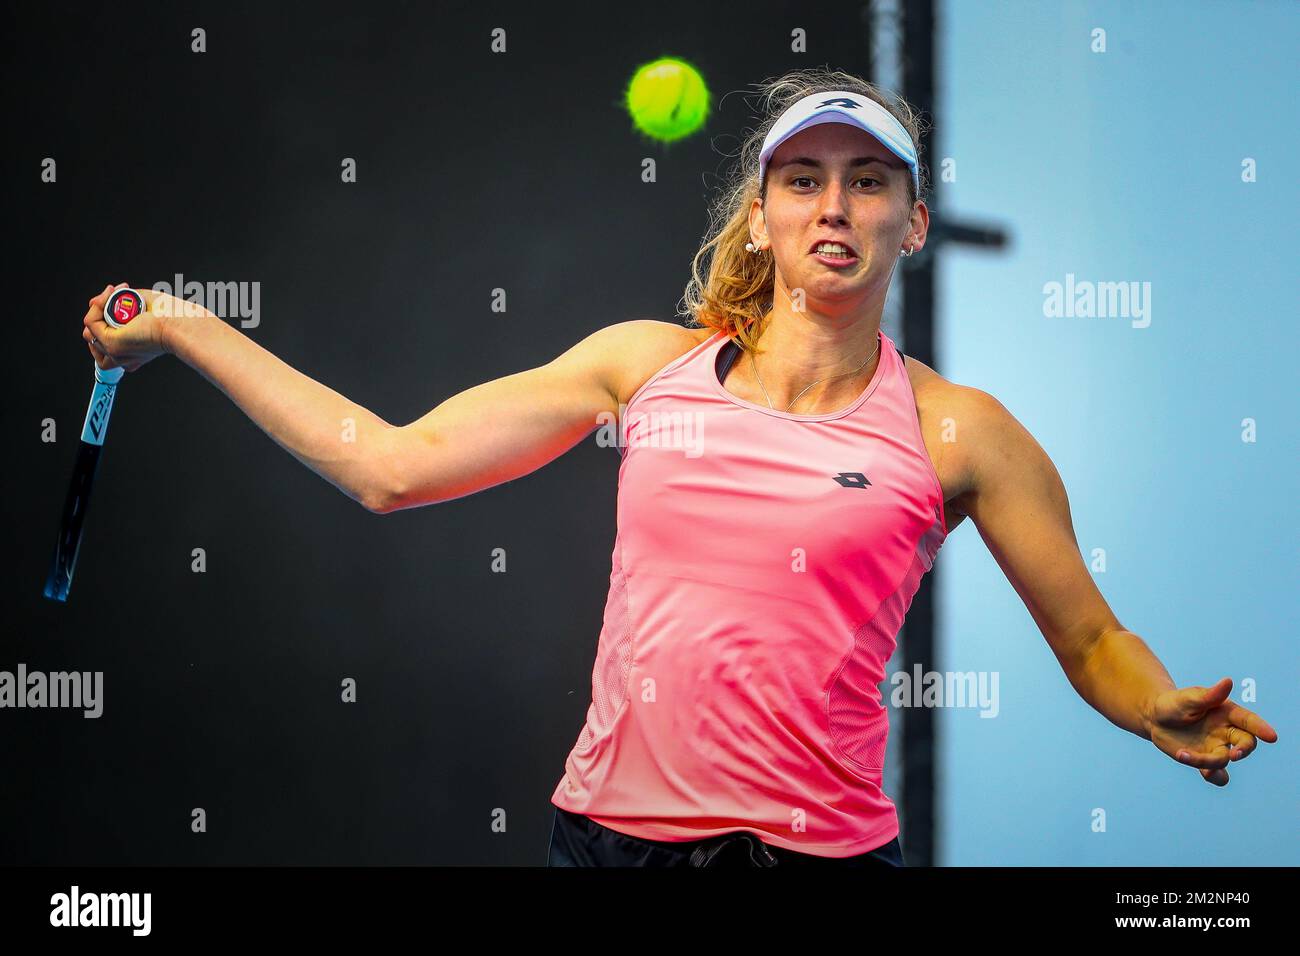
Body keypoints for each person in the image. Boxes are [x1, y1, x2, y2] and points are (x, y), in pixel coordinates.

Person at [79, 68, 1279, 868]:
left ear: (912, 223)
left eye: (869, 182)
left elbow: (1091, 641)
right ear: (759, 214)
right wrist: (188, 323)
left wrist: (1151, 704)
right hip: (608, 843)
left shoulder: (966, 432)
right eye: (802, 179)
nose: (834, 206)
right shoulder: (641, 365)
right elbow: (388, 465)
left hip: (824, 854)